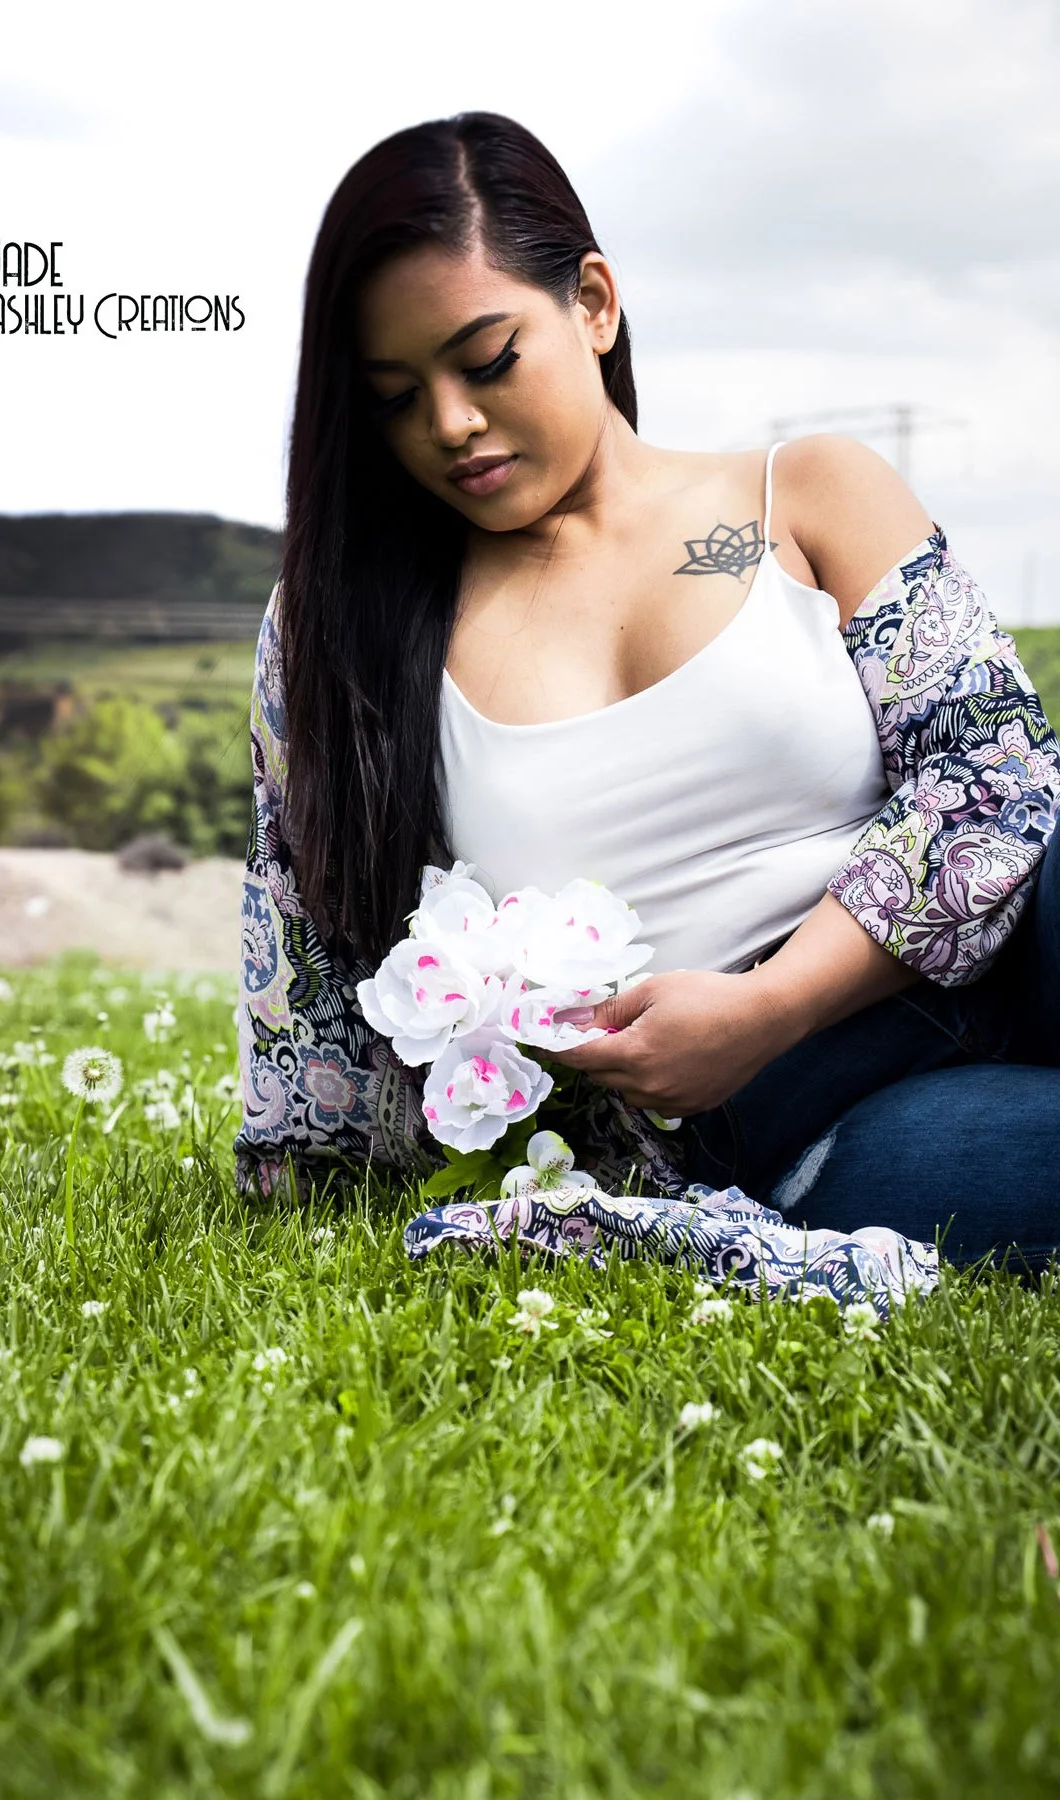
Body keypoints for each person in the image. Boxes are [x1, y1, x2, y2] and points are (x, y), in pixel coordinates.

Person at [236, 109, 1060, 1272]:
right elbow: (304, 934)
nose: (451, 424)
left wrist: (773, 1004)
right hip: (786, 1123)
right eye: (393, 395)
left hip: (1012, 945)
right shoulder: (346, 636)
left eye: (486, 361)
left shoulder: (809, 494)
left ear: (594, 303)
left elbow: (996, 772)